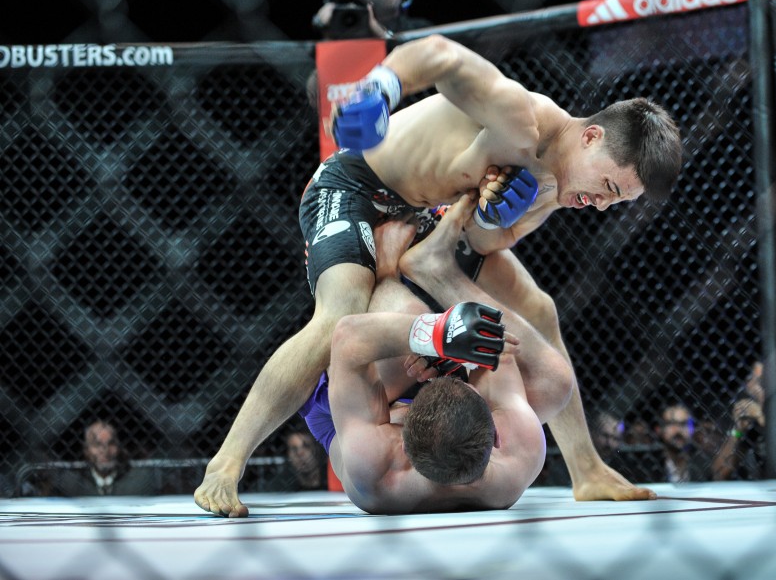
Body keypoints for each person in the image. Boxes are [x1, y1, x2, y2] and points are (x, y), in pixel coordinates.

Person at [195, 33, 681, 516]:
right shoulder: (519, 116)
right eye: (609, 186)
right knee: (337, 315)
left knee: (538, 306)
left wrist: (492, 219)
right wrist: (380, 89)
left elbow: (489, 243)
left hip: (430, 213)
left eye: (617, 201)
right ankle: (226, 463)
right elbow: (439, 54)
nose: (600, 204)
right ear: (592, 137)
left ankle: (587, 470)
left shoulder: (560, 184)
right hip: (360, 186)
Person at [296, 195, 574, 513]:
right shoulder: (521, 452)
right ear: (497, 436)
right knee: (556, 381)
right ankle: (437, 270)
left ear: (403, 441)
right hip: (440, 421)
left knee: (410, 315)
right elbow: (502, 350)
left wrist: (431, 335)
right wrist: (457, 347)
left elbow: (348, 339)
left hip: (349, 410)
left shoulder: (374, 466)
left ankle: (389, 271)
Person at [50, 420, 157, 497]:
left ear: (119, 448)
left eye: (111, 443)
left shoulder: (137, 480)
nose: (105, 451)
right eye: (97, 444)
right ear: (86, 450)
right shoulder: (71, 483)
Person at [713, 361, 766, 481]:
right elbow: (719, 474)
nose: (752, 386)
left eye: (760, 382)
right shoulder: (744, 417)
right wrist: (738, 430)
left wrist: (761, 417)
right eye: (750, 379)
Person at [653, 403, 714, 483]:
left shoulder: (705, 463)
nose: (678, 430)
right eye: (671, 423)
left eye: (683, 424)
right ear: (659, 430)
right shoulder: (650, 466)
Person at [259, 425, 328, 492]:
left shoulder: (333, 479)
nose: (300, 453)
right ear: (288, 454)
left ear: (317, 449)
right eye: (294, 449)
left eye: (306, 446)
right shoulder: (278, 485)